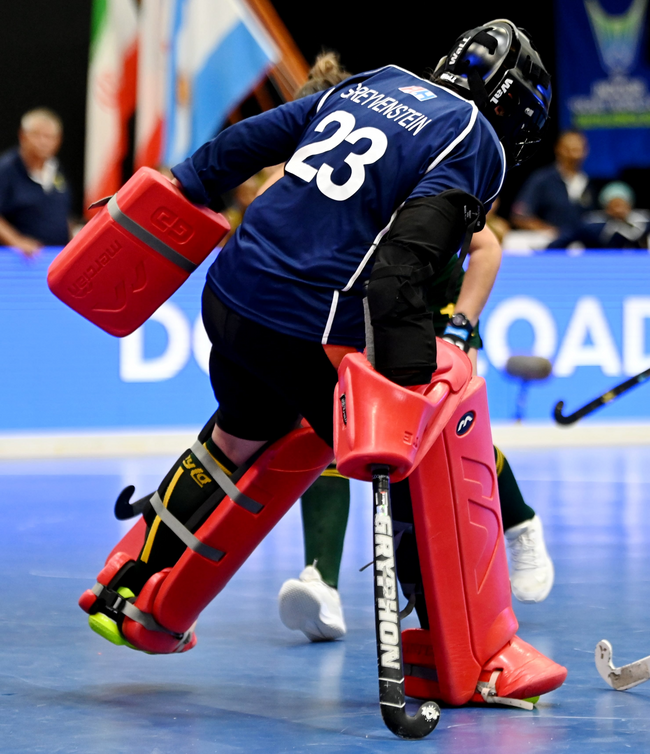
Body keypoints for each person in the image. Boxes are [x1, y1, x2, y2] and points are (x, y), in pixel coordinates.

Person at [77, 19, 565, 706]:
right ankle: (469, 657)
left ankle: (129, 587)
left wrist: (184, 185)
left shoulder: (375, 82)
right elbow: (401, 265)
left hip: (231, 292)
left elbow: (246, 142)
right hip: (309, 322)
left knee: (237, 438)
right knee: (425, 465)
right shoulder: (475, 137)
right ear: (511, 105)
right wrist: (405, 389)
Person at [240, 53, 553, 643]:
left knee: (443, 438)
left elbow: (486, 248)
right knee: (331, 430)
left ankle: (518, 526)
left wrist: (461, 326)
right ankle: (322, 582)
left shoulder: (417, 159)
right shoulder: (303, 182)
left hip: (425, 316)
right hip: (354, 320)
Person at [0, 108, 71, 256]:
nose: (43, 142)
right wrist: (16, 241)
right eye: (37, 135)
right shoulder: (6, 169)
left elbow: (61, 212)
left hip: (57, 257)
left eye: (49, 137)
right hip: (18, 262)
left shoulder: (56, 169)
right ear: (22, 136)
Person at [510, 129, 593, 236]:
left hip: (583, 242)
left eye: (578, 149)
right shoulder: (541, 179)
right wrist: (550, 232)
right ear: (558, 149)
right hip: (549, 241)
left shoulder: (589, 182)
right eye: (569, 150)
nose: (574, 155)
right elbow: (519, 215)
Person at [548, 180, 650, 249]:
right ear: (606, 207)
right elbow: (566, 237)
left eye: (622, 205)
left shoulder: (643, 221)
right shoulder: (590, 224)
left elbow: (637, 234)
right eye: (615, 205)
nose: (619, 210)